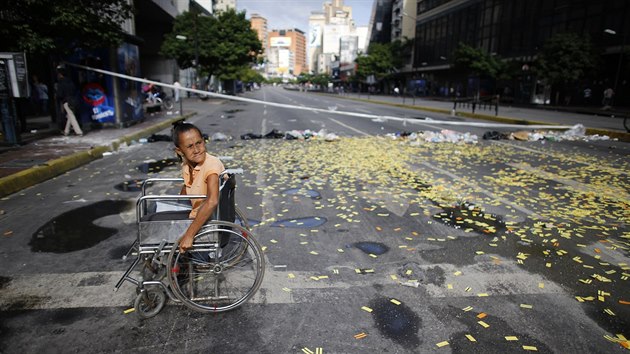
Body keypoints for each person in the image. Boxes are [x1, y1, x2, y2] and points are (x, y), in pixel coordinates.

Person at [172, 122, 225, 253]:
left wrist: (189, 235)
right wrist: (174, 207)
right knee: (154, 210)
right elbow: (187, 187)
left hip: (202, 219)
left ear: (204, 141)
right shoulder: (187, 165)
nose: (196, 150)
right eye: (190, 146)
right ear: (179, 151)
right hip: (192, 213)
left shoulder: (211, 166)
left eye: (199, 143)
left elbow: (212, 201)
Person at [56, 68, 83, 136]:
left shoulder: (61, 83)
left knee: (71, 116)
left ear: (60, 74)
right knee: (70, 115)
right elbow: (75, 90)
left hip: (66, 101)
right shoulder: (70, 81)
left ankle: (78, 131)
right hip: (73, 99)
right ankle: (66, 131)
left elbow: (60, 94)